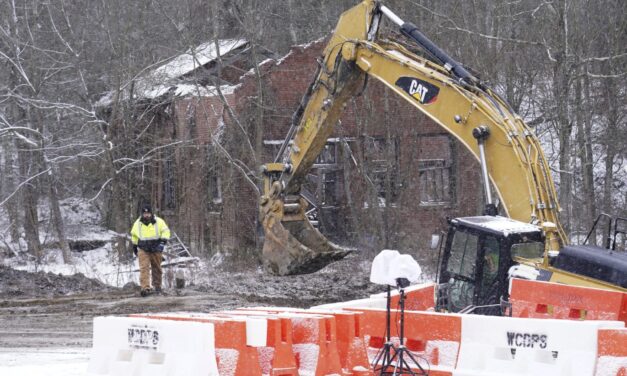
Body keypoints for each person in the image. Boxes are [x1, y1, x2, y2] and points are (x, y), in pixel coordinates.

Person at [130, 205, 170, 297]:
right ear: (142, 214)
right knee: (144, 268)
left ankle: (157, 287)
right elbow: (134, 235)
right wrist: (134, 246)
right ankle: (145, 288)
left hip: (156, 248)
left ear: (151, 213)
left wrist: (162, 243)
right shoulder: (137, 223)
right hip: (143, 249)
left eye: (148, 213)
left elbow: (166, 231)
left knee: (157, 268)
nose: (146, 215)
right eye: (144, 214)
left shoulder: (159, 222)